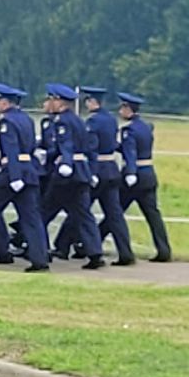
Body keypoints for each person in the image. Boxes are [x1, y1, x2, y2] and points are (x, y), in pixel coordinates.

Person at [0, 83, 49, 270]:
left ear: (5, 103)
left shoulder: (7, 122)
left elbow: (12, 149)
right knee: (31, 218)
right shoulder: (27, 119)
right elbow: (26, 149)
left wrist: (14, 176)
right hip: (28, 170)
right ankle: (40, 258)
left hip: (12, 174)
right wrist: (1, 161)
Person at [55, 86, 135, 265]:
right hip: (112, 169)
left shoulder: (93, 122)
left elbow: (91, 146)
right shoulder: (111, 120)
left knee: (79, 210)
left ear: (92, 102)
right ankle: (125, 252)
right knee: (114, 215)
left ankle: (64, 245)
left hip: (97, 168)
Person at [41, 83, 105, 269]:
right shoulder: (78, 120)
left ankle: (40, 250)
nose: (49, 103)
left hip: (66, 174)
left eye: (51, 99)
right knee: (84, 214)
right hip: (81, 171)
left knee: (42, 212)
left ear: (59, 102)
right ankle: (95, 253)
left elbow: (66, 144)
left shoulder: (61, 121)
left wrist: (65, 163)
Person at [116, 92, 173, 264]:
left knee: (115, 212)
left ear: (128, 109)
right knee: (153, 215)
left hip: (134, 177)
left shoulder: (129, 130)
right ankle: (164, 250)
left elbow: (131, 153)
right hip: (148, 173)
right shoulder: (146, 127)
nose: (120, 111)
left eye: (122, 107)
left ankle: (94, 242)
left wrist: (131, 172)